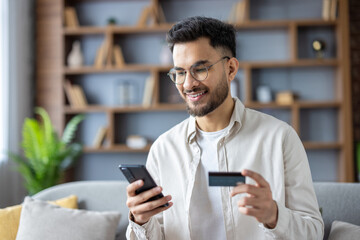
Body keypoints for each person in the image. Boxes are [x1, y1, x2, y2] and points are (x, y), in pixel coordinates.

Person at [125, 16, 324, 240]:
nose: (188, 84)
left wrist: (274, 216)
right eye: (179, 73)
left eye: (200, 69)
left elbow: (313, 232)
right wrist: (140, 220)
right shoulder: (164, 149)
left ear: (231, 69)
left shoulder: (280, 138)